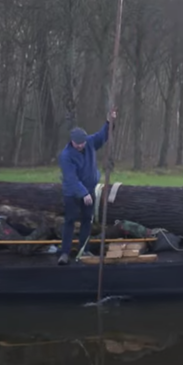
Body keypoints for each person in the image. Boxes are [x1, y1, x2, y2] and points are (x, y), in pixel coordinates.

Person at [57, 110, 117, 266]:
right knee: (70, 221)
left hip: (89, 190)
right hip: (72, 194)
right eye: (78, 144)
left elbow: (102, 136)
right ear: (72, 142)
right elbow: (71, 179)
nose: (81, 145)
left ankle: (84, 249)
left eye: (83, 143)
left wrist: (109, 122)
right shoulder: (66, 155)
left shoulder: (89, 143)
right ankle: (65, 252)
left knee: (86, 221)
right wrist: (83, 193)